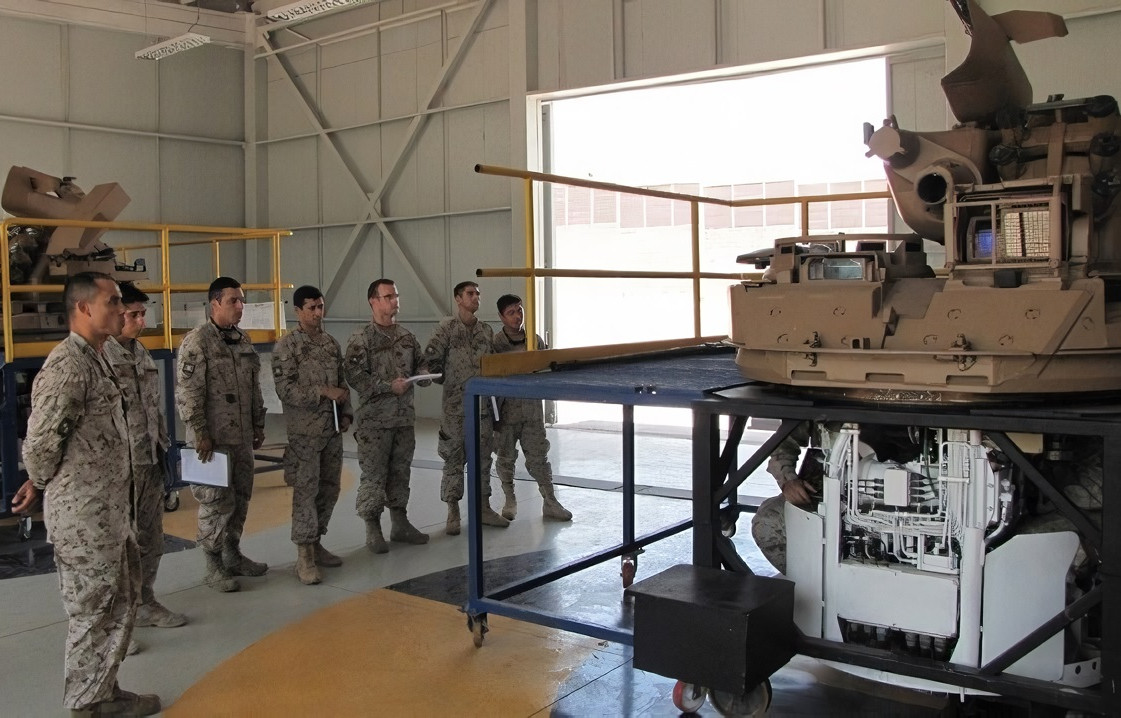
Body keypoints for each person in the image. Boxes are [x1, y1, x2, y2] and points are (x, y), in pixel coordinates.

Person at [13, 272, 160, 716]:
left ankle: (103, 689)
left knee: (119, 600)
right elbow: (39, 446)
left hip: (109, 511)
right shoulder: (68, 367)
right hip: (85, 517)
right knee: (92, 611)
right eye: (112, 302)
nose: (120, 309)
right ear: (83, 308)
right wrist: (38, 481)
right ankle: (85, 703)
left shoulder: (98, 359)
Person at [104, 282, 188, 627]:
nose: (140, 321)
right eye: (132, 315)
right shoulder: (99, 356)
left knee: (151, 539)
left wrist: (164, 447)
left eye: (143, 314)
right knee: (115, 546)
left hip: (149, 461)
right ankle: (113, 617)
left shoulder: (139, 352)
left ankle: (144, 602)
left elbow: (152, 407)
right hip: (115, 470)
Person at [176, 276, 267, 592]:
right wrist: (200, 432)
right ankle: (212, 564)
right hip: (212, 440)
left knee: (240, 498)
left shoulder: (242, 340)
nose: (240, 307)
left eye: (242, 300)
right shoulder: (197, 342)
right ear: (214, 303)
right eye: (233, 301)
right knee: (215, 501)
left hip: (240, 437)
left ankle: (233, 554)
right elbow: (188, 392)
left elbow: (254, 388)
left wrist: (258, 424)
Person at [344, 279, 432, 553]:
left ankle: (399, 523)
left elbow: (420, 363)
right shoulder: (361, 339)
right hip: (375, 423)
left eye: (396, 295)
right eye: (388, 296)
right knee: (373, 476)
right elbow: (354, 376)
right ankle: (373, 528)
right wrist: (386, 387)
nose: (394, 300)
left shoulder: (406, 337)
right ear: (373, 301)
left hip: (403, 419)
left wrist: (426, 374)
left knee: (400, 473)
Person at [272, 285, 352, 585]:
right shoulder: (287, 347)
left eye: (320, 306)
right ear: (297, 311)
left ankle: (317, 541)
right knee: (306, 492)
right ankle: (304, 555)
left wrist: (346, 412)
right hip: (305, 435)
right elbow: (285, 390)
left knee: (330, 488)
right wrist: (321, 392)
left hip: (331, 431)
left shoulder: (330, 344)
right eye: (311, 308)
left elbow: (342, 382)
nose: (318, 313)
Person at [423, 280, 509, 534]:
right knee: (453, 460)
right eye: (470, 294)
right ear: (458, 299)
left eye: (478, 294)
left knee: (483, 461)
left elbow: (492, 367)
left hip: (481, 409)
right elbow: (431, 362)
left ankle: (483, 507)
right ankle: (453, 511)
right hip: (455, 410)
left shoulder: (485, 331)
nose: (476, 298)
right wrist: (427, 373)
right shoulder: (446, 329)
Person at [491, 294, 572, 522]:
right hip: (507, 411)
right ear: (501, 317)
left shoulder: (534, 340)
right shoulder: (496, 343)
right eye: (511, 313)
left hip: (532, 411)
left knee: (539, 458)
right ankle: (509, 499)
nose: (517, 316)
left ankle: (550, 501)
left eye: (519, 310)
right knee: (505, 457)